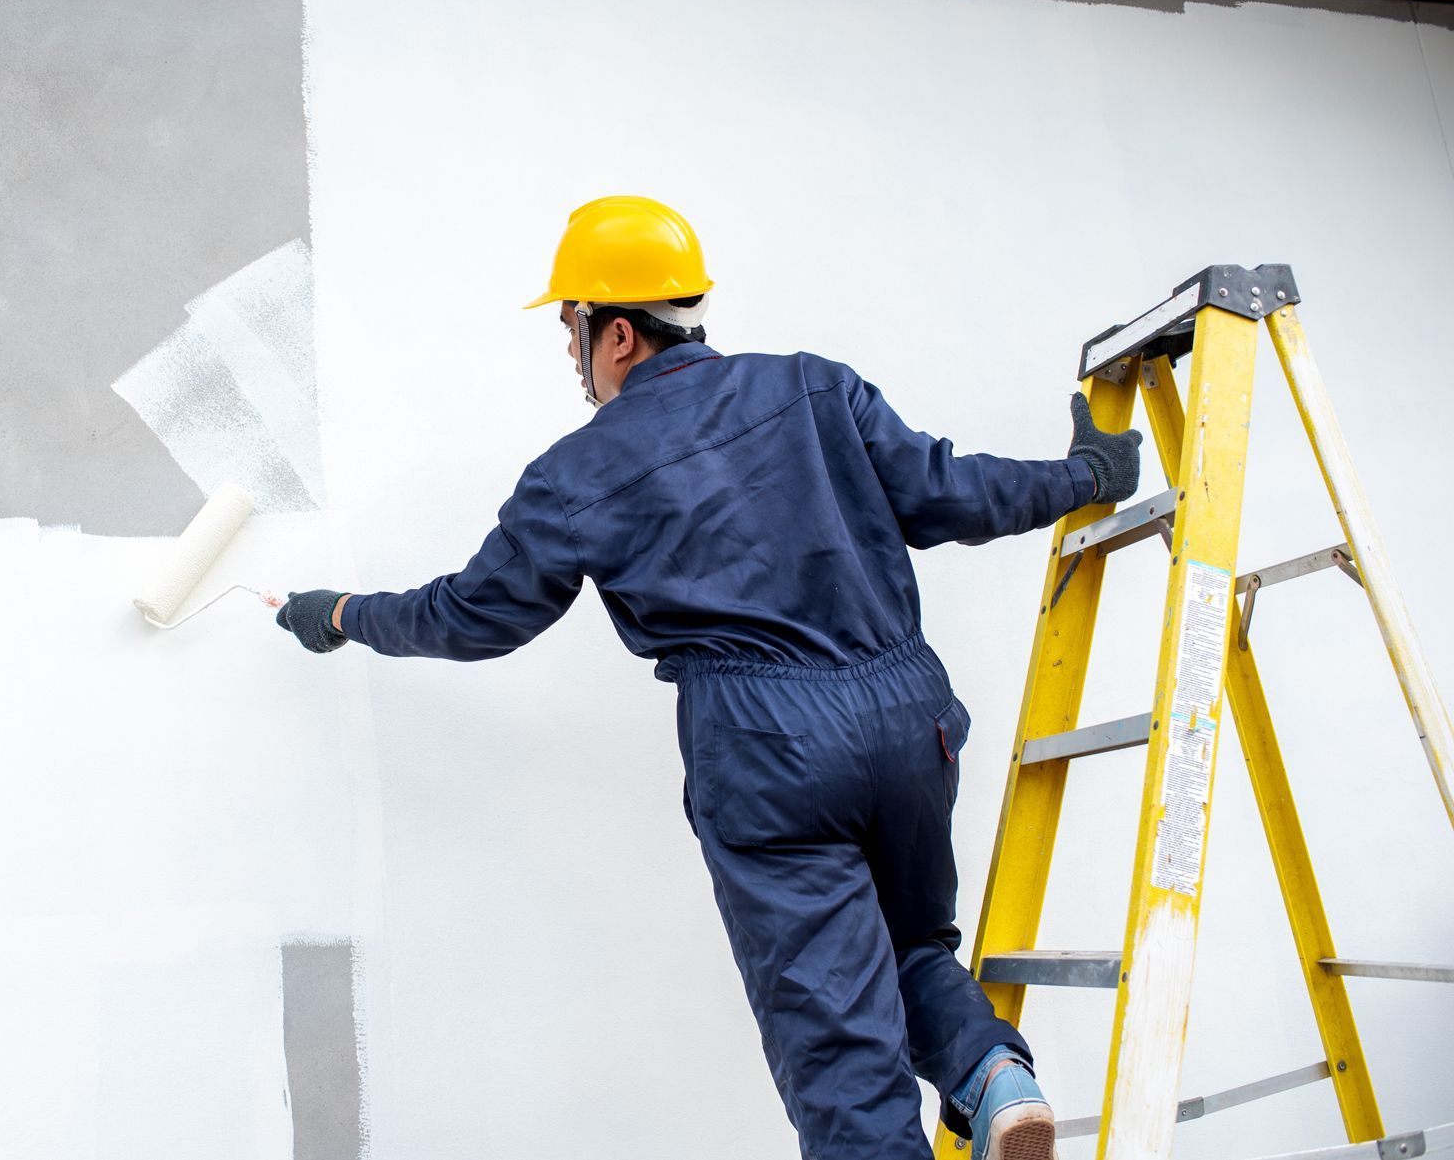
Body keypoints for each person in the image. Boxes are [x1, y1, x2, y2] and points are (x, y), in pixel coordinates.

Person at [274, 196, 1141, 1160]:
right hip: (908, 716)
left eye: (568, 329)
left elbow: (470, 615)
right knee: (910, 942)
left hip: (768, 750)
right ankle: (994, 1078)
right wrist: (1088, 475)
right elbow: (953, 491)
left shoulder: (576, 473)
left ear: (615, 333)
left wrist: (343, 613)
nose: (568, 355)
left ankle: (961, 1099)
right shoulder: (817, 389)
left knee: (838, 1046)